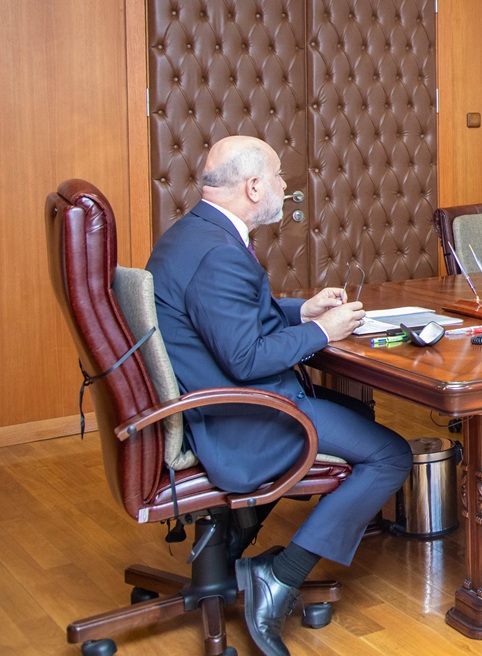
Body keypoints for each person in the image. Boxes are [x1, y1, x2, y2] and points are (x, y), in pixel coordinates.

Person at [148, 137, 412, 656]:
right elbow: (245, 358)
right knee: (391, 454)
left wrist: (301, 311)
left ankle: (231, 549)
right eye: (278, 176)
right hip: (239, 418)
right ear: (253, 187)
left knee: (356, 411)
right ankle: (279, 576)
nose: (285, 186)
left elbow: (230, 316)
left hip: (210, 401)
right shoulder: (220, 254)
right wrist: (323, 333)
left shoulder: (192, 233)